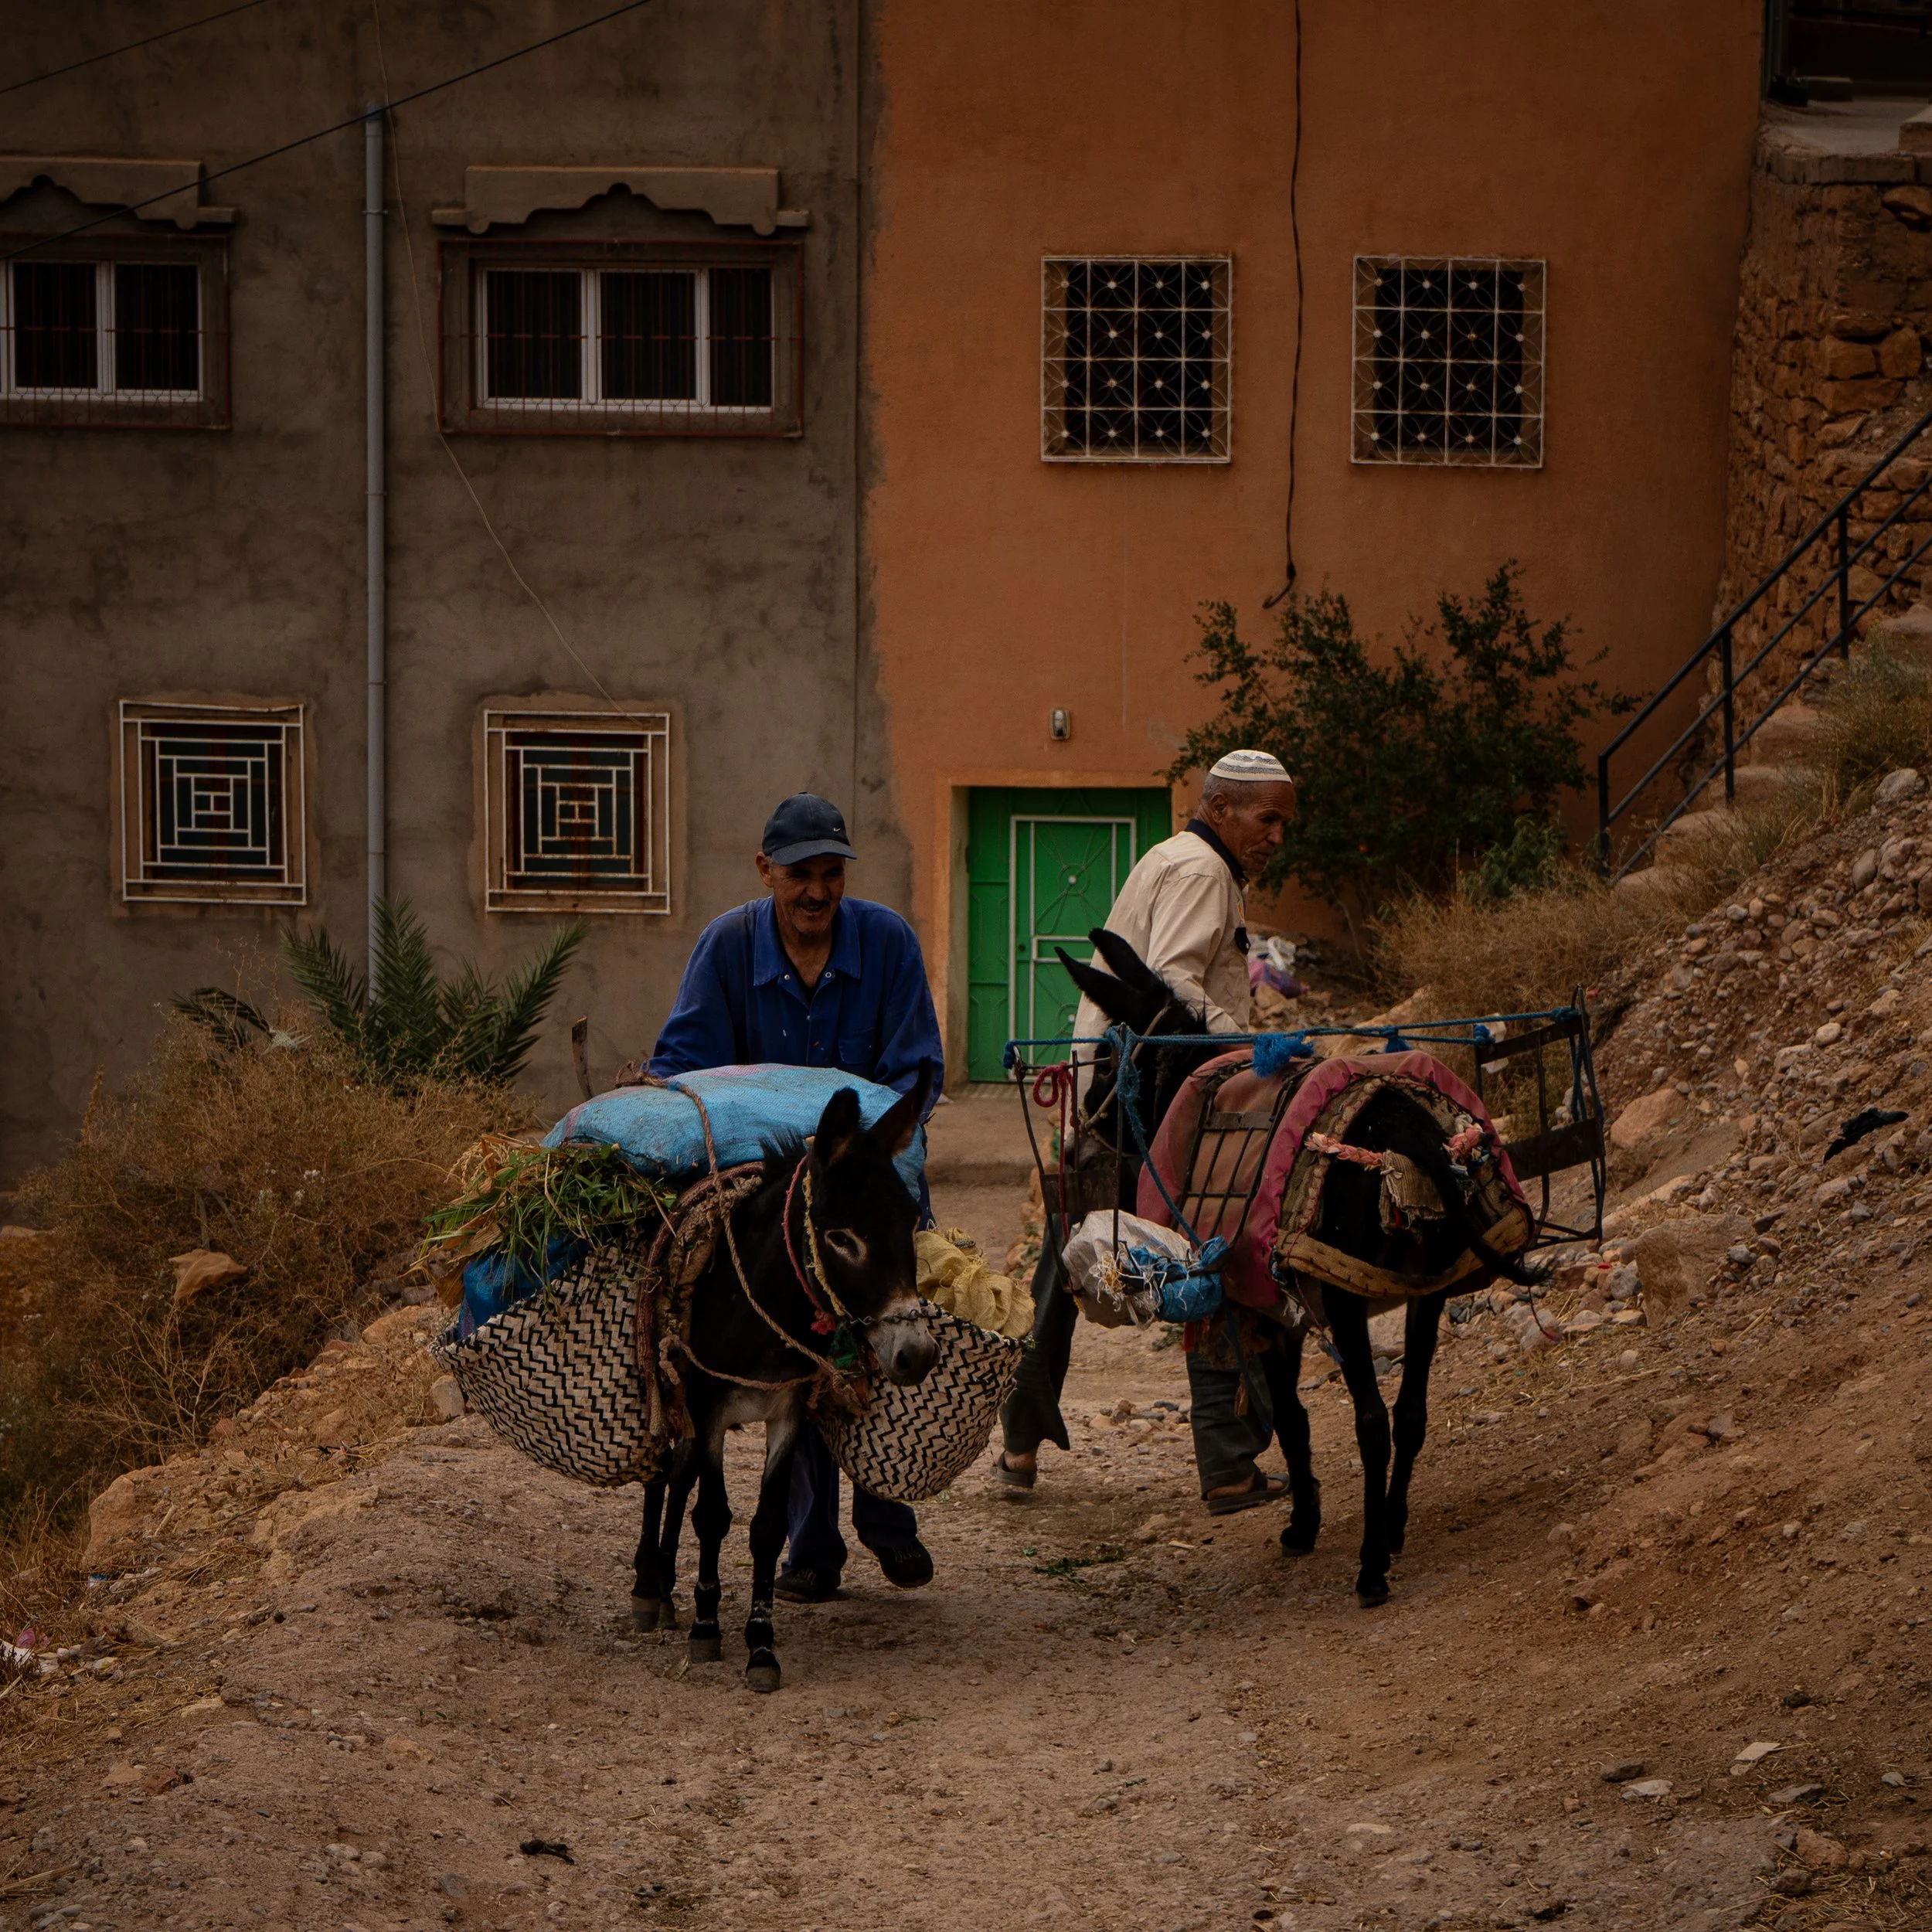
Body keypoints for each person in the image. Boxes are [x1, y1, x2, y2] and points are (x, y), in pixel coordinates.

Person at [649, 791, 944, 1602]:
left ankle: (888, 1521)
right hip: (772, 1196)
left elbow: (917, 1075)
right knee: (801, 1348)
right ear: (764, 870)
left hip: (869, 1184)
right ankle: (811, 1547)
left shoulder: (886, 942)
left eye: (829, 874)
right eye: (798, 875)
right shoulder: (726, 945)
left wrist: (861, 1156)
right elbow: (684, 1066)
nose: (816, 892)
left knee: (889, 1336)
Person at [994, 748, 1298, 1509]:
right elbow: (1173, 982)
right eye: (1267, 817)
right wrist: (1246, 1049)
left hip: (1102, 1104)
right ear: (1220, 807)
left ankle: (1020, 1445)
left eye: (1284, 821)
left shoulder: (1175, 856)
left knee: (1064, 1269)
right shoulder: (1203, 871)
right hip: (1150, 1107)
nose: (1277, 835)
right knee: (1222, 1256)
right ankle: (1227, 1465)